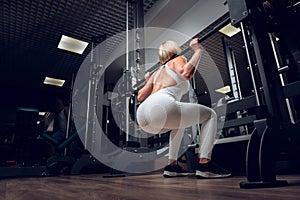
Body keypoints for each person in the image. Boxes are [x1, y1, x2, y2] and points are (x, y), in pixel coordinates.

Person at [136, 38, 231, 178]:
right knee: (210, 115)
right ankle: (205, 164)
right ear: (174, 50)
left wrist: (148, 81)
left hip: (143, 115)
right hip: (162, 105)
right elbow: (186, 73)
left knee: (178, 125)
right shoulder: (178, 59)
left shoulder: (156, 73)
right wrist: (197, 51)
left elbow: (140, 96)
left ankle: (172, 166)